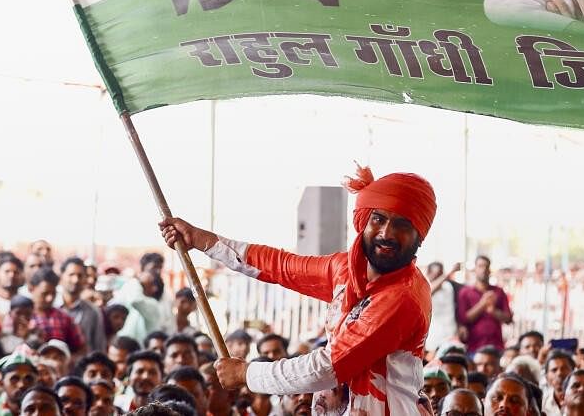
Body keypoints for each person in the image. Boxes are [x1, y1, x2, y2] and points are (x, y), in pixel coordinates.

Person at [160, 165, 438, 416]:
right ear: (364, 221)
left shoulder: (404, 297)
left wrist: (248, 374)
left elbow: (329, 367)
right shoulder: (344, 267)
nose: (386, 233)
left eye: (402, 224)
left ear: (419, 237)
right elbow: (281, 266)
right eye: (378, 219)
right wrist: (200, 239)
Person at [457, 256, 512, 353]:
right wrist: (482, 304)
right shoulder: (465, 292)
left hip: (496, 346)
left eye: (486, 266)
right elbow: (463, 319)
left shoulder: (499, 291)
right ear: (475, 269)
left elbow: (508, 318)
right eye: (480, 266)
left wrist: (493, 311)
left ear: (490, 270)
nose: (484, 269)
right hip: (474, 347)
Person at [30, 270, 84, 355]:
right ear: (31, 289)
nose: (50, 298)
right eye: (45, 293)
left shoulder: (64, 318)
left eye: (53, 293)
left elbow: (81, 348)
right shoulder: (22, 317)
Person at [58, 259, 106, 354]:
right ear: (62, 276)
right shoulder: (51, 307)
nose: (75, 280)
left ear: (85, 279)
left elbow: (98, 347)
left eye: (80, 276)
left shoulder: (93, 312)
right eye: (71, 275)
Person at [425, 262, 462, 355]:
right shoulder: (425, 286)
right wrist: (451, 272)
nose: (440, 277)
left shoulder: (449, 287)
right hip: (433, 337)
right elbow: (431, 290)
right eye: (436, 274)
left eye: (440, 274)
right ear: (429, 273)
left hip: (450, 335)